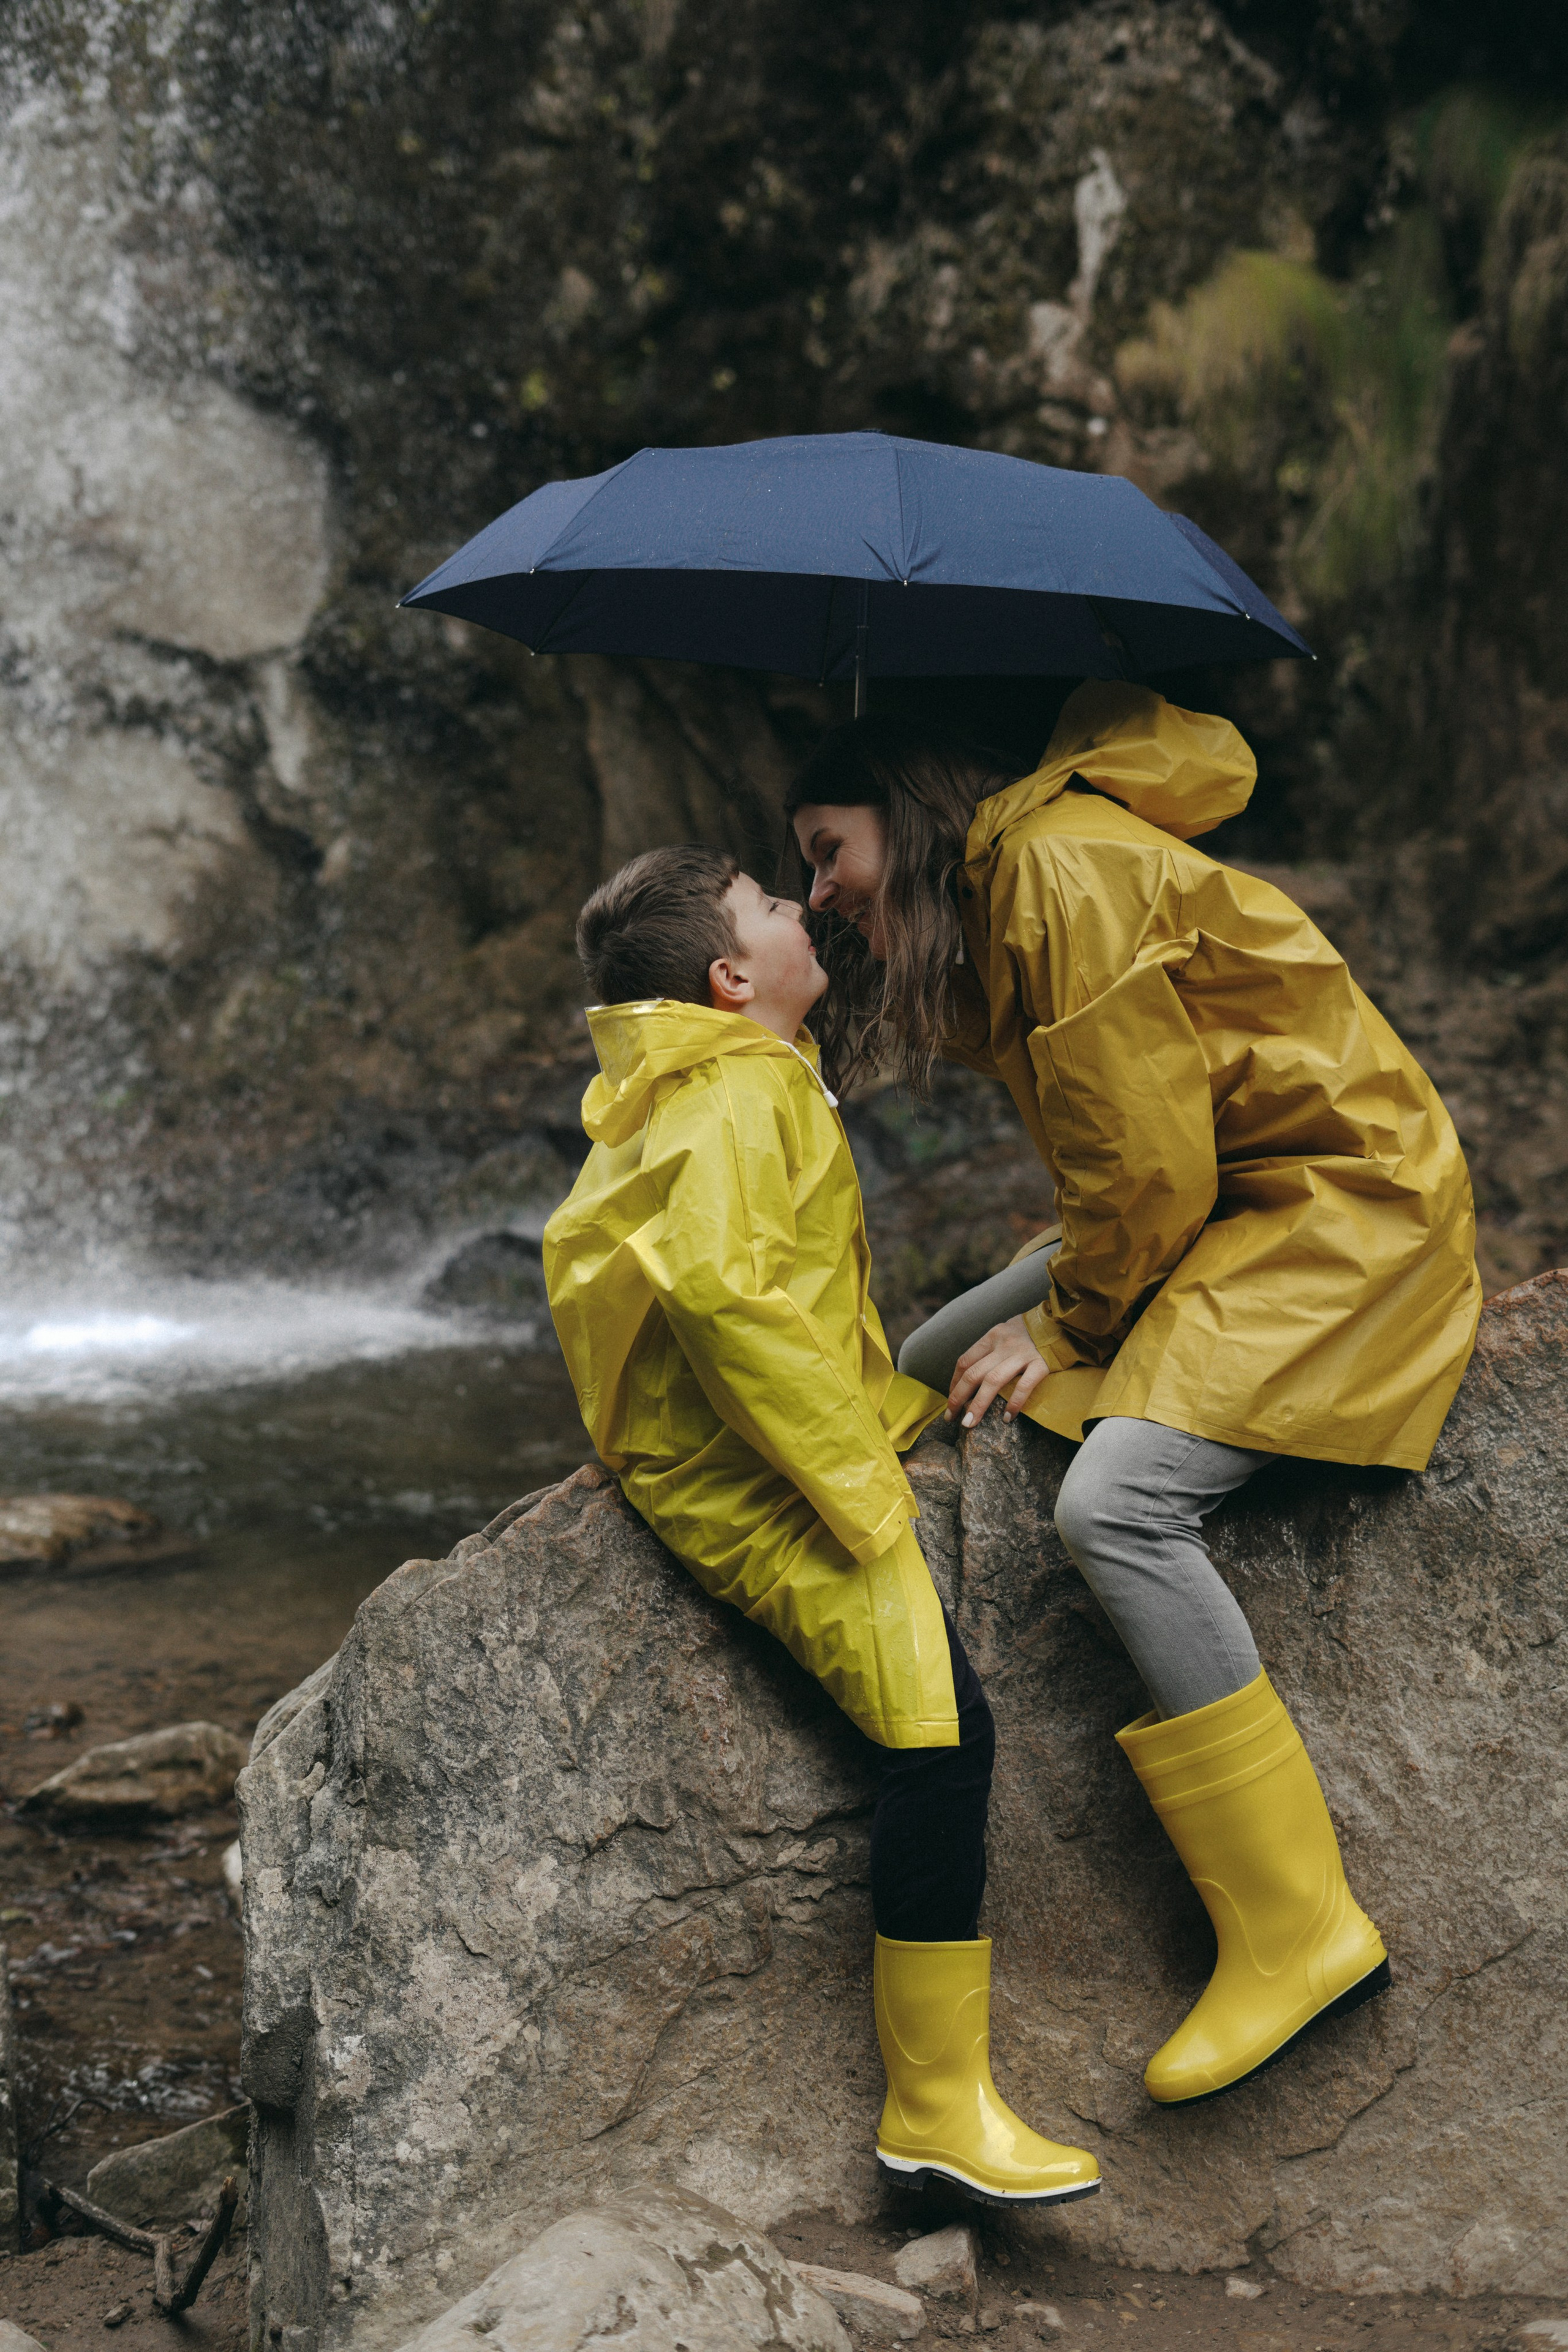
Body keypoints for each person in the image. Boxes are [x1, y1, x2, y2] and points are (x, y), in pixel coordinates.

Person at [787, 680, 1482, 2107]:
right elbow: (1125, 1143)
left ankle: (1297, 1927)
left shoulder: (1057, 868)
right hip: (1219, 1200)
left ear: (903, 820)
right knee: (918, 1370)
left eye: (827, 850)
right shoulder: (1009, 885)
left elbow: (1146, 1160)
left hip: (1331, 1209)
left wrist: (1066, 1322)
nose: (816, 892)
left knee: (1115, 1506)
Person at [542, 845, 1100, 2207]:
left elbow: (777, 1288)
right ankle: (933, 2112)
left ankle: (938, 2107)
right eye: (769, 906)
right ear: (732, 979)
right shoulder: (732, 1092)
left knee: (936, 1728)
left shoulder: (730, 1076)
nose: (801, 906)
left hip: (756, 1450)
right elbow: (722, 1296)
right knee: (939, 1739)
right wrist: (858, 1480)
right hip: (758, 1482)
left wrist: (878, 1405)